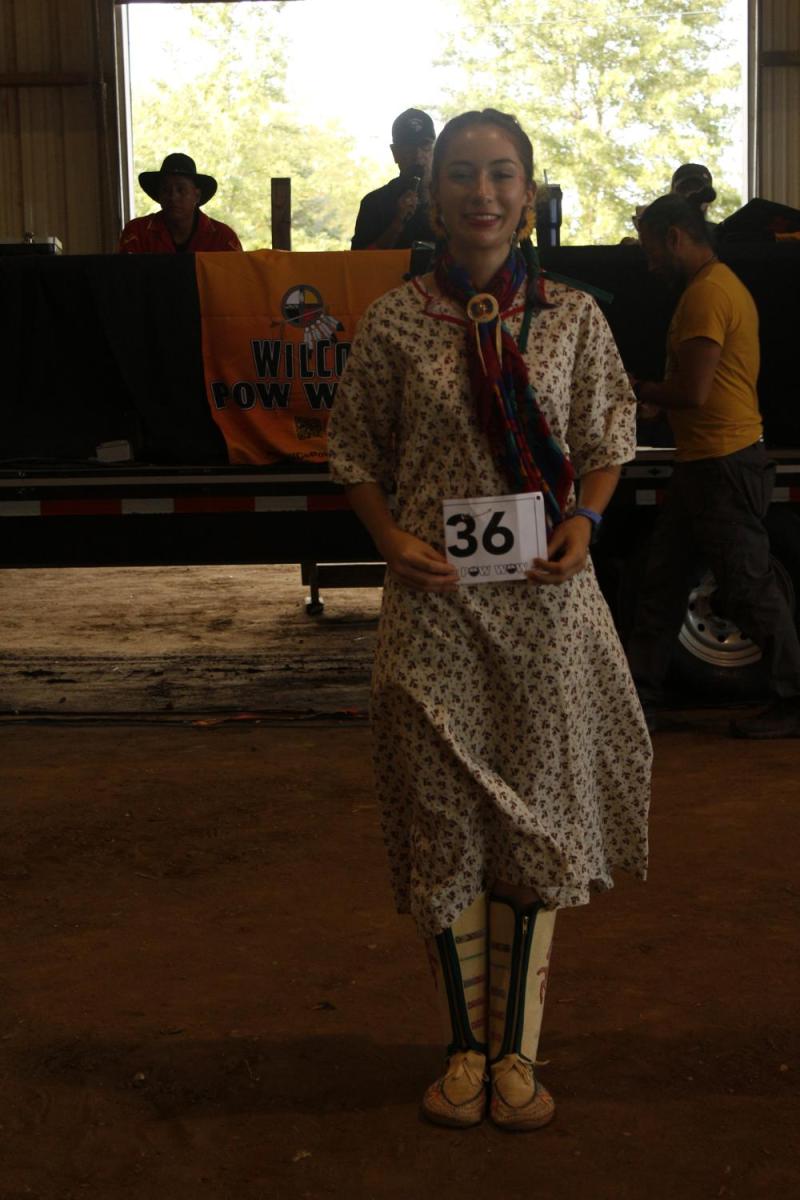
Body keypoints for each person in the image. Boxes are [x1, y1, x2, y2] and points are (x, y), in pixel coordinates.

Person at [327, 108, 651, 1131]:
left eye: (501, 173)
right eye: (462, 174)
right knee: (442, 821)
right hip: (434, 610)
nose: (482, 192)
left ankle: (518, 1053)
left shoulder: (572, 317)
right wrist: (389, 540)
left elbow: (609, 436)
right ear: (433, 195)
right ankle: (461, 1050)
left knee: (536, 819)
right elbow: (352, 450)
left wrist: (585, 520)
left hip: (545, 611)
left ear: (528, 190)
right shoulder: (394, 322)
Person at [628, 190, 800, 738]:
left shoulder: (707, 295)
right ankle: (639, 705)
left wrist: (642, 389)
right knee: (662, 586)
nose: (649, 262)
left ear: (675, 237)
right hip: (704, 462)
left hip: (722, 465)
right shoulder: (715, 287)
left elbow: (694, 392)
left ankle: (795, 700)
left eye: (652, 249)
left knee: (748, 588)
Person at [119, 153, 242, 254]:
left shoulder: (224, 238)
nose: (173, 197)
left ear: (197, 195)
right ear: (159, 195)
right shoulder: (137, 233)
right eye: (166, 190)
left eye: (181, 190)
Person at [350, 108, 436, 250]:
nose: (417, 155)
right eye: (408, 148)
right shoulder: (375, 203)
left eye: (425, 145)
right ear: (395, 153)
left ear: (435, 150)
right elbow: (360, 261)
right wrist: (397, 223)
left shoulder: (451, 199)